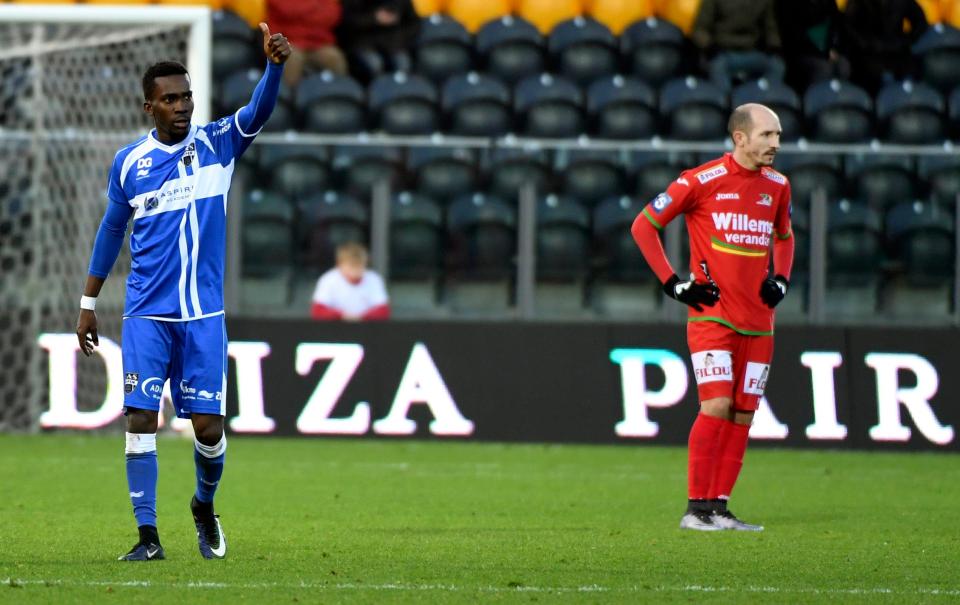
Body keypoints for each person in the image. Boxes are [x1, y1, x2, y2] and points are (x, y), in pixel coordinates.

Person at [75, 25, 291, 560]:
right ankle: (148, 537)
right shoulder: (129, 163)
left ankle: (203, 504)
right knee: (140, 417)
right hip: (146, 313)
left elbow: (258, 112)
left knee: (209, 429)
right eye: (169, 99)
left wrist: (275, 68)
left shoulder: (219, 142)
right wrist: (87, 302)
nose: (182, 106)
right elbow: (110, 231)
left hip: (203, 316)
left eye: (187, 96)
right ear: (149, 106)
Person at [630, 103, 794, 531]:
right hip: (712, 316)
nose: (775, 143)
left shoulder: (777, 185)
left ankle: (719, 508)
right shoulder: (700, 181)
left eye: (778, 135)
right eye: (767, 135)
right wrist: (672, 283)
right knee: (716, 403)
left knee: (743, 413)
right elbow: (644, 226)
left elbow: (785, 237)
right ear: (740, 138)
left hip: (759, 322)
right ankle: (695, 509)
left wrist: (782, 278)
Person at [690, 0, 785, 91]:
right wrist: (709, 45)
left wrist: (773, 45)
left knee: (776, 65)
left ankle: (768, 100)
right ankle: (725, 102)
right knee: (717, 66)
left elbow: (771, 28)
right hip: (724, 52)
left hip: (753, 51)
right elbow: (699, 30)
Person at [839, 0, 928, 95]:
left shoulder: (902, 2)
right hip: (868, 57)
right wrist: (867, 44)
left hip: (898, 54)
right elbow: (848, 27)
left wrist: (905, 41)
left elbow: (920, 22)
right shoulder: (858, 3)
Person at [774, 0, 851, 93]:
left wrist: (832, 48)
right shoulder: (788, 3)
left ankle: (841, 103)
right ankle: (820, 103)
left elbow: (836, 25)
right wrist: (823, 52)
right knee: (823, 68)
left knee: (843, 65)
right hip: (801, 52)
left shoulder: (828, 3)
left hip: (827, 51)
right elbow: (792, 34)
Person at [267, 0, 348, 87]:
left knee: (334, 57)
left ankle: (339, 94)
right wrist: (315, 7)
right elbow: (286, 9)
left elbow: (332, 15)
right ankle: (287, 96)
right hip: (288, 41)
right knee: (291, 58)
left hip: (317, 42)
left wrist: (299, 14)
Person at [336, 0, 421, 83]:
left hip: (393, 43)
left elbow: (413, 24)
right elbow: (346, 21)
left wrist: (399, 37)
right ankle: (375, 93)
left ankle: (401, 93)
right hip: (362, 42)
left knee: (403, 63)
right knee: (374, 64)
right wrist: (374, 18)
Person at [311, 241, 391, 320]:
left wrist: (361, 318)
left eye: (359, 265)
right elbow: (318, 311)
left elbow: (383, 311)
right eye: (351, 266)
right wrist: (341, 316)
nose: (355, 271)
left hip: (367, 329)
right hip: (335, 328)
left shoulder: (374, 279)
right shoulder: (328, 279)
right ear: (339, 264)